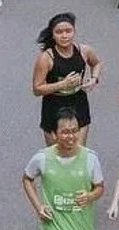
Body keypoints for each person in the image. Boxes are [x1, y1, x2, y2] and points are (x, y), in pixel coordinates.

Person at [32, 12, 103, 144]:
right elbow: (37, 89)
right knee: (56, 156)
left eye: (68, 31)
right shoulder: (46, 58)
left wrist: (94, 78)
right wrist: (62, 84)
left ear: (74, 32)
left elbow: (97, 63)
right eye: (59, 32)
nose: (64, 36)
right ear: (52, 35)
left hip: (78, 104)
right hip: (54, 106)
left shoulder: (84, 51)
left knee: (78, 152)